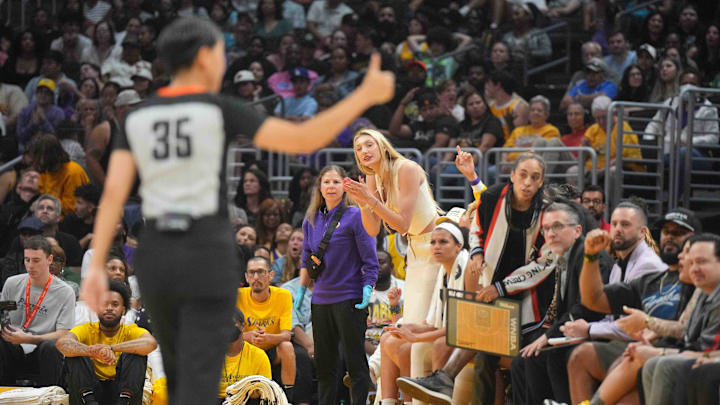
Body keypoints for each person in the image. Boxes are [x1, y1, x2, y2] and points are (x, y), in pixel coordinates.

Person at [80, 16, 394, 405]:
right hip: (202, 250)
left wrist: (94, 269)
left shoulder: (138, 116)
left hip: (155, 252)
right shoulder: (217, 109)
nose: (223, 63)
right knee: (202, 372)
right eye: (220, 54)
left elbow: (113, 192)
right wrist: (364, 94)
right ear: (203, 56)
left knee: (178, 373)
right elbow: (302, 138)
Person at [343, 128, 442, 385]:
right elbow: (373, 228)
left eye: (368, 145)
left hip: (435, 247)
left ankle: (379, 373)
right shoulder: (373, 177)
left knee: (416, 322)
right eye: (358, 149)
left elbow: (401, 224)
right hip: (415, 249)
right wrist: (364, 202)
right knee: (407, 324)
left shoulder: (406, 168)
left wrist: (369, 199)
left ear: (382, 146)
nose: (363, 151)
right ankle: (384, 385)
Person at [296, 165, 378, 405]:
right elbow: (306, 257)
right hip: (320, 301)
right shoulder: (310, 219)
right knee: (324, 366)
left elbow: (370, 260)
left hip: (350, 298)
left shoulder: (356, 215)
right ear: (319, 187)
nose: (331, 187)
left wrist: (367, 287)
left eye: (336, 182)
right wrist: (302, 289)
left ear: (344, 186)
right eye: (326, 182)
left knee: (355, 364)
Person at [388, 217, 468, 404]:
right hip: (455, 333)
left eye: (443, 242)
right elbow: (435, 323)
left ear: (459, 246)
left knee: (432, 344)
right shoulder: (443, 272)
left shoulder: (466, 267)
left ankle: (435, 392)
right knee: (393, 339)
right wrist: (407, 328)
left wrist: (416, 336)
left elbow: (459, 328)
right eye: (433, 242)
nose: (436, 246)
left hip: (475, 334)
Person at [57, 280, 157, 405]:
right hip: (88, 392)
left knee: (136, 353)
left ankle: (123, 401)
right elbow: (62, 343)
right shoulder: (86, 328)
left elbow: (150, 343)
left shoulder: (131, 330)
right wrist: (91, 351)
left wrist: (111, 348)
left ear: (123, 310)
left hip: (122, 393)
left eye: (115, 304)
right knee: (75, 352)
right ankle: (89, 401)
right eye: (104, 304)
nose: (109, 308)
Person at [0, 236, 74, 387]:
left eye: (36, 260)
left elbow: (63, 334)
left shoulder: (65, 292)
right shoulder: (12, 283)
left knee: (51, 347)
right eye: (27, 260)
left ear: (49, 259)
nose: (30, 265)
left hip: (42, 347)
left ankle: (49, 396)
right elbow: (4, 316)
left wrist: (29, 339)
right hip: (13, 346)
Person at [237, 256, 296, 400]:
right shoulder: (238, 295)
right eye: (251, 273)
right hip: (247, 349)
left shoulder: (283, 295)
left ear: (271, 275)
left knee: (287, 346)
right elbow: (227, 334)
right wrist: (248, 336)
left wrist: (267, 337)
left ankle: (287, 397)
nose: (256, 277)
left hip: (272, 348)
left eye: (261, 272)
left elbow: (286, 335)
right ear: (246, 277)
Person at [217, 308, 272, 404]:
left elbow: (265, 393)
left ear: (243, 326)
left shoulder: (258, 355)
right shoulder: (210, 354)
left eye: (232, 323)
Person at [60, 183, 102, 250]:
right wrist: (87, 238)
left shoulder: (103, 223)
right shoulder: (69, 221)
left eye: (79, 203)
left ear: (91, 207)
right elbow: (67, 252)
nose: (75, 207)